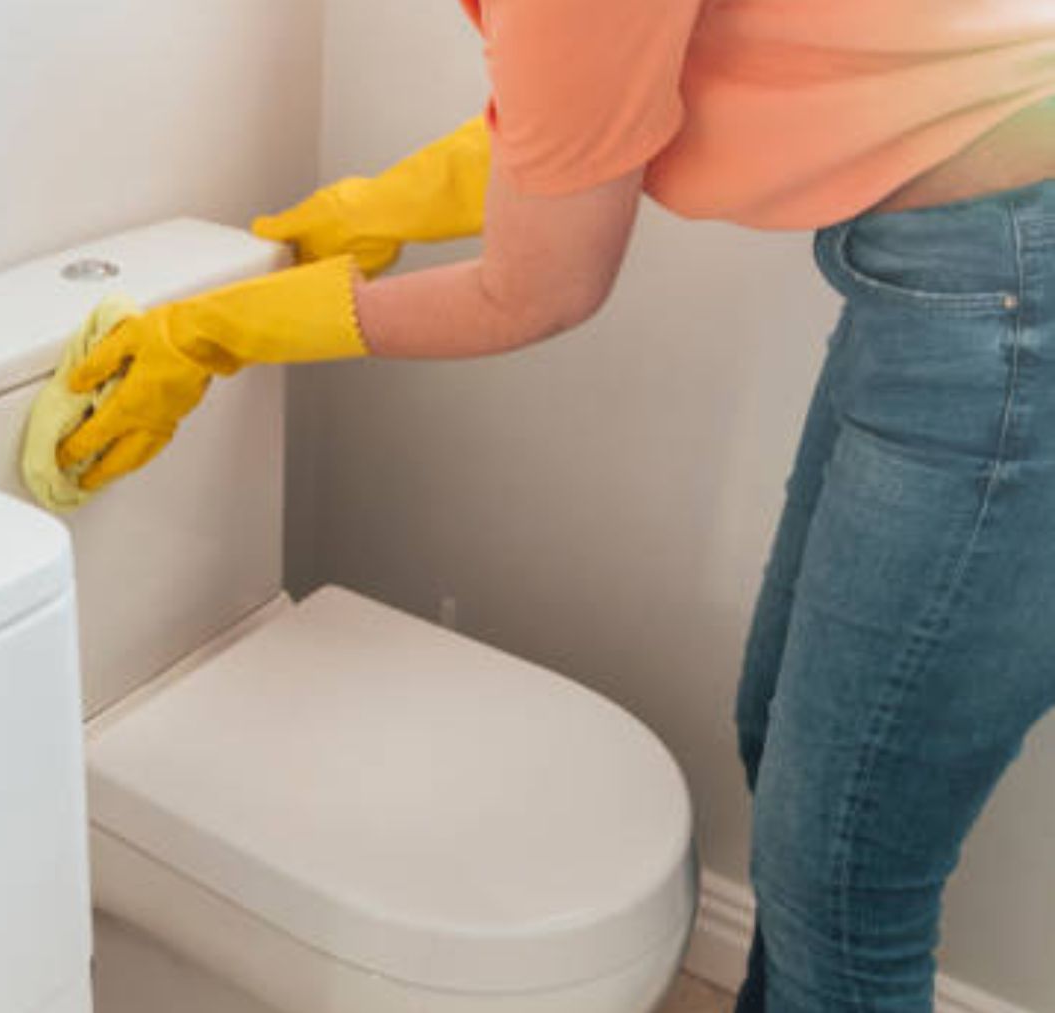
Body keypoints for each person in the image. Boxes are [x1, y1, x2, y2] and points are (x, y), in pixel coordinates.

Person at [53, 2, 1055, 1011]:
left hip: (1008, 287)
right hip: (959, 271)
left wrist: (227, 331)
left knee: (838, 885)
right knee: (790, 758)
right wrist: (385, 205)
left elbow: (538, 288)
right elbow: (609, 110)